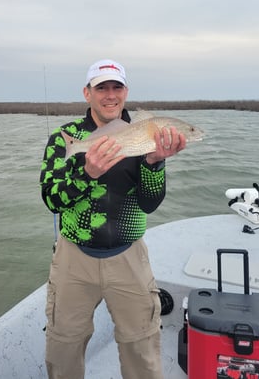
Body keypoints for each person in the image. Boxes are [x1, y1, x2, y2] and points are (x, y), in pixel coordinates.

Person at [40, 59, 187, 379]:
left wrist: (154, 163)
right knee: (64, 345)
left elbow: (150, 203)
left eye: (116, 87)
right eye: (101, 87)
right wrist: (86, 173)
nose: (109, 95)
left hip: (129, 256)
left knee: (141, 347)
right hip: (73, 258)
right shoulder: (66, 137)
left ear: (125, 92)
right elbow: (52, 200)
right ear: (87, 93)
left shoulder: (145, 135)